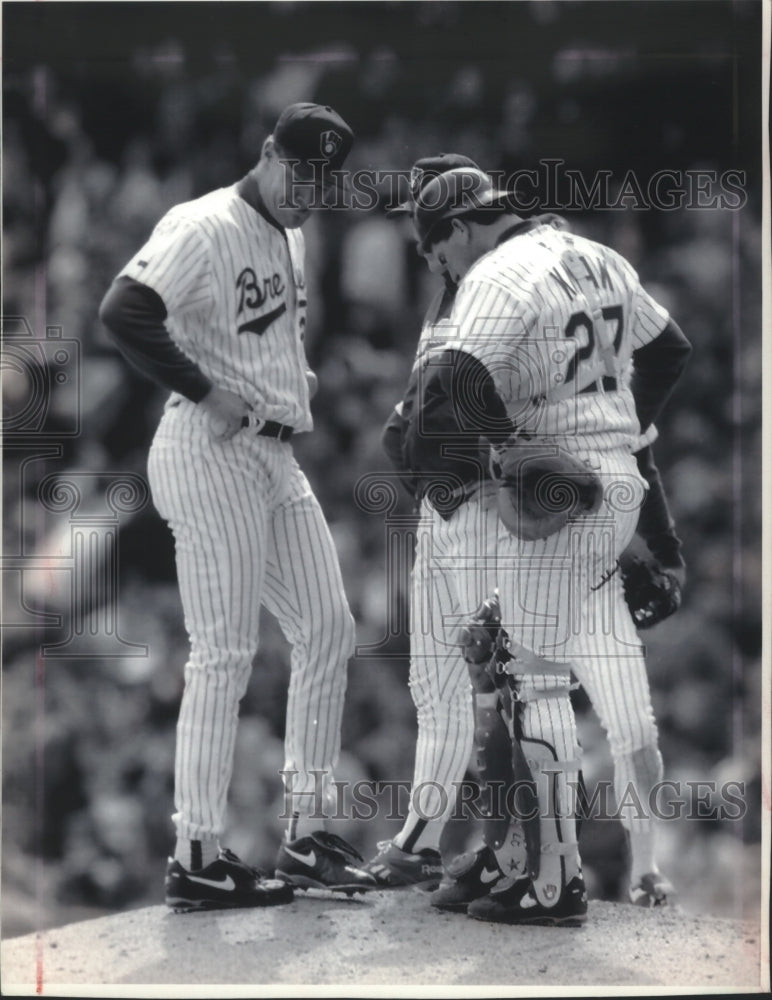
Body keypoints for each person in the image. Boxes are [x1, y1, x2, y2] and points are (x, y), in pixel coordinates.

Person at [365, 164, 690, 925]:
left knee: (531, 682)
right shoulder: (595, 254)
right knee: (516, 672)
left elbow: (450, 382)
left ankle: (551, 880)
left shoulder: (497, 272)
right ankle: (524, 865)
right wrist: (626, 425)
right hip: (606, 476)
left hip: (556, 484)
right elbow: (671, 348)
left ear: (458, 228)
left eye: (431, 240)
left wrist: (508, 451)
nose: (432, 258)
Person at [99, 102, 378, 911]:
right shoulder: (205, 223)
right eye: (300, 172)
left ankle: (306, 832)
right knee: (223, 654)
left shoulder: (294, 235)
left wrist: (290, 383)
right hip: (209, 448)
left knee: (329, 627)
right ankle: (196, 851)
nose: (308, 191)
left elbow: (267, 333)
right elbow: (124, 310)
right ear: (267, 153)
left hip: (273, 450)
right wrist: (203, 386)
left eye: (322, 181)